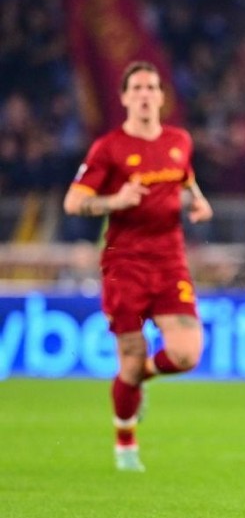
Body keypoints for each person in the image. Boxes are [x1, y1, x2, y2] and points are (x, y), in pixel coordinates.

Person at [62, 61, 214, 472]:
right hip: (124, 264)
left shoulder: (179, 140)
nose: (146, 94)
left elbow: (184, 178)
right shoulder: (107, 148)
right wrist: (114, 201)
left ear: (161, 97)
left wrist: (197, 199)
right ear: (126, 97)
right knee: (129, 356)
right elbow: (74, 201)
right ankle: (125, 442)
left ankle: (135, 381)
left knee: (186, 354)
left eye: (153, 88)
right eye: (138, 88)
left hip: (169, 262)